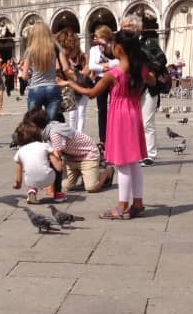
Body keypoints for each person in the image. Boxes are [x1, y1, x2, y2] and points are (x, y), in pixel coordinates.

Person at [61, 30, 151, 220]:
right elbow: (151, 79)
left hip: (120, 116)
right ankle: (138, 203)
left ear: (119, 48)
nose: (110, 48)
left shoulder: (114, 74)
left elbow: (91, 92)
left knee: (122, 163)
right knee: (134, 162)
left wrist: (68, 84)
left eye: (112, 45)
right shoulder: (140, 69)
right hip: (134, 112)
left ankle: (122, 207)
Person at [34, 107, 114, 194]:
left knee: (91, 188)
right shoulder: (47, 131)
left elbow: (57, 161)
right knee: (66, 186)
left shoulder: (54, 133)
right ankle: (85, 173)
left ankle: (107, 172)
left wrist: (49, 182)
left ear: (37, 126)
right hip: (71, 157)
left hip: (88, 155)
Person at [121, 13, 166, 167]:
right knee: (135, 121)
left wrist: (149, 69)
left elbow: (162, 60)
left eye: (128, 28)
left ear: (137, 29)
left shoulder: (149, 43)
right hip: (133, 87)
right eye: (124, 28)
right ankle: (138, 152)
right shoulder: (124, 46)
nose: (125, 31)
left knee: (147, 121)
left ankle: (150, 154)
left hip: (149, 87)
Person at [13, 113, 63, 205]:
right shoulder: (45, 146)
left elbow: (18, 176)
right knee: (54, 165)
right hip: (48, 179)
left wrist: (18, 184)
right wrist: (57, 157)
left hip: (31, 180)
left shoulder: (20, 151)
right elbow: (58, 167)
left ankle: (32, 191)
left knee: (29, 169)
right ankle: (58, 194)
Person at [21, 21, 62, 121]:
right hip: (52, 88)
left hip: (35, 89)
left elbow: (24, 76)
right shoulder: (54, 47)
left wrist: (31, 75)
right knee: (52, 125)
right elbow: (60, 67)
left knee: (34, 124)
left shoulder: (30, 50)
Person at [57, 28, 89, 134]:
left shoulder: (83, 57)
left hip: (83, 88)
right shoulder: (64, 57)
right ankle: (73, 136)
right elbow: (65, 71)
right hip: (70, 87)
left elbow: (87, 72)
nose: (70, 51)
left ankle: (80, 136)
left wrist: (77, 76)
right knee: (72, 115)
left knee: (81, 113)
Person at [87, 25, 115, 145]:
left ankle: (115, 135)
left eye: (98, 36)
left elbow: (119, 62)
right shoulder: (94, 50)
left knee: (115, 108)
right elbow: (91, 66)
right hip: (100, 80)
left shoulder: (113, 47)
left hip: (114, 79)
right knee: (101, 109)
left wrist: (106, 65)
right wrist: (104, 67)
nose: (95, 38)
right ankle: (103, 139)